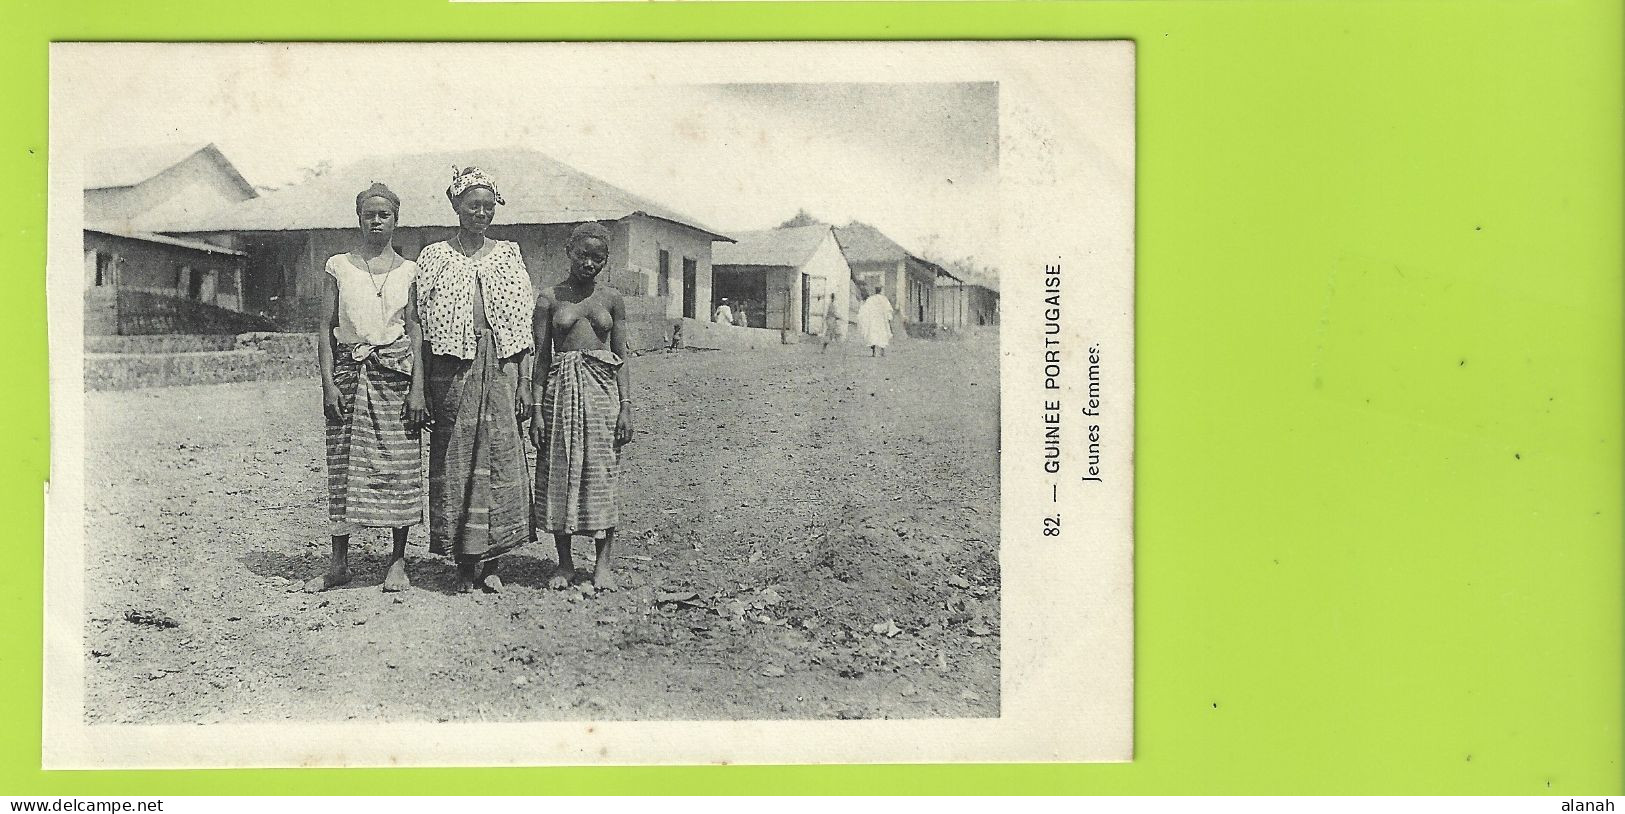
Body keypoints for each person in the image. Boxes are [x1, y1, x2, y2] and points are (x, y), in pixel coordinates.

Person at [413, 166, 535, 593]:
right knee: (456, 457)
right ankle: (463, 561)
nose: (480, 213)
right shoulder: (433, 256)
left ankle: (493, 560)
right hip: (452, 367)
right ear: (455, 205)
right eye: (472, 205)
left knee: (498, 455)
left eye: (488, 206)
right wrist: (422, 385)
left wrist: (523, 381)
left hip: (500, 365)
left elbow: (521, 323)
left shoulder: (508, 254)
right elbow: (421, 325)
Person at [305, 182, 425, 593]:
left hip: (395, 375)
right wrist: (327, 385)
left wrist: (418, 389)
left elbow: (414, 329)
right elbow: (324, 327)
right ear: (358, 218)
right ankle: (339, 562)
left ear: (396, 218)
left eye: (384, 214)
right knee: (342, 468)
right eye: (369, 214)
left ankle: (397, 561)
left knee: (399, 467)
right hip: (348, 374)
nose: (377, 221)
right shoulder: (339, 266)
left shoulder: (411, 271)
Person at [531, 222, 634, 592]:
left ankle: (602, 564)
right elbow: (541, 360)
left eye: (598, 258)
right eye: (582, 255)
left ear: (605, 261)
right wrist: (538, 411)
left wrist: (625, 406)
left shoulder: (612, 299)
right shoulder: (549, 298)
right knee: (561, 471)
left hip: (602, 394)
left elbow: (622, 355)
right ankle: (564, 562)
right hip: (561, 394)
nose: (589, 263)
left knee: (602, 473)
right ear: (569, 253)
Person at [857, 285, 895, 357]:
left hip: (874, 320)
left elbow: (865, 309)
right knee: (882, 334)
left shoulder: (871, 299)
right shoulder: (884, 299)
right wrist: (889, 318)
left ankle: (874, 352)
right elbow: (888, 310)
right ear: (880, 291)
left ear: (875, 291)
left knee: (873, 335)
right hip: (881, 320)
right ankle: (882, 351)